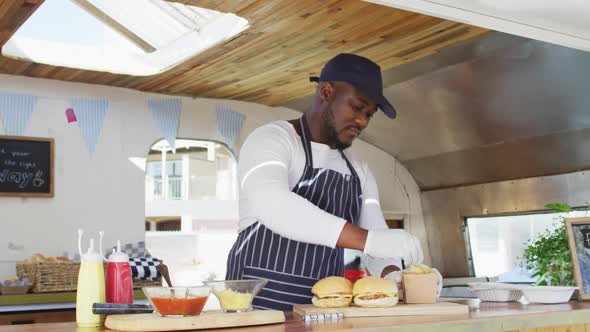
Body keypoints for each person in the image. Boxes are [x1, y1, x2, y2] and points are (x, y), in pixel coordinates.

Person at [225, 53, 424, 311]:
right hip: (256, 309)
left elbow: (378, 235)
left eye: (369, 114)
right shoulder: (272, 140)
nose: (363, 121)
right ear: (327, 91)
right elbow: (274, 205)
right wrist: (368, 240)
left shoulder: (359, 170)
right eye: (357, 107)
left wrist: (392, 275)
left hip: (322, 313)